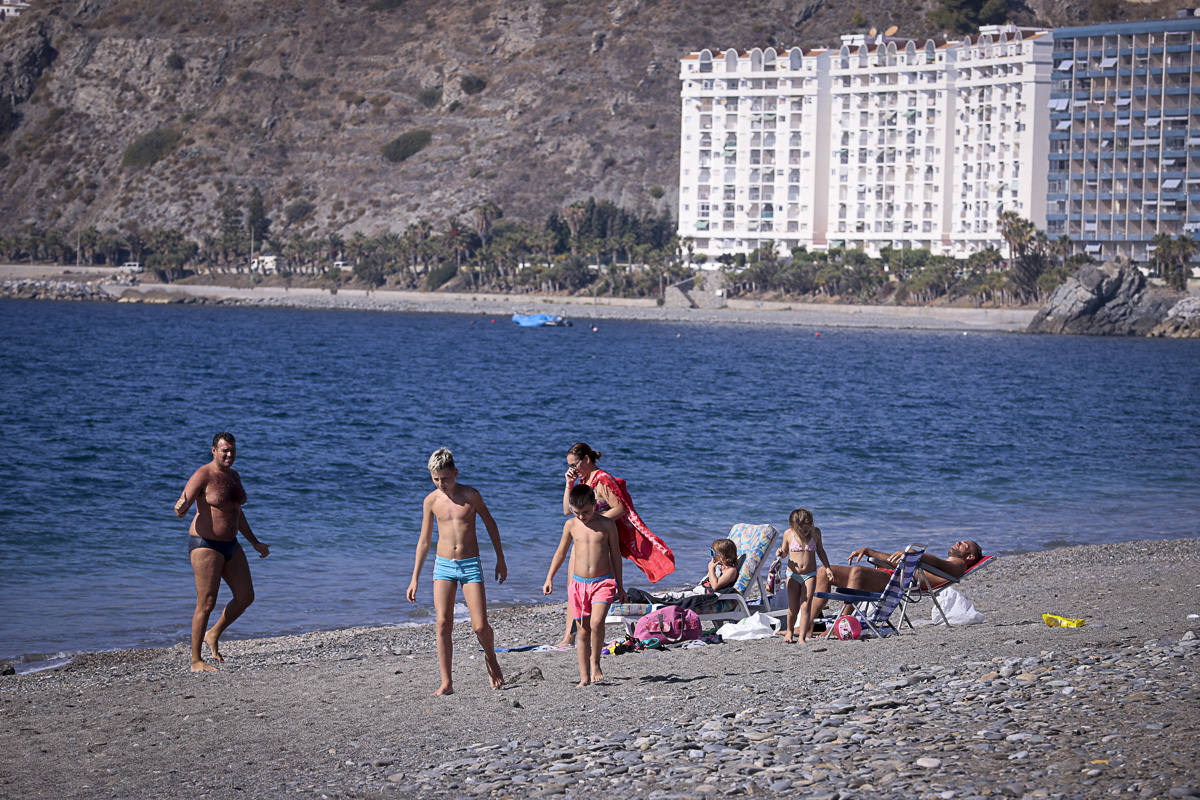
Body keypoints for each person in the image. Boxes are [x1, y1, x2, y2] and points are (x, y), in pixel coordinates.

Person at [405, 448, 507, 695]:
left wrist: (500, 559)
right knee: (442, 623)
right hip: (443, 566)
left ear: (455, 472)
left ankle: (491, 659)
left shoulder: (471, 495)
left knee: (480, 626)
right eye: (436, 478)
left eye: (446, 478)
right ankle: (446, 682)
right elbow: (425, 540)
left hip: (470, 564)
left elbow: (490, 524)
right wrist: (414, 578)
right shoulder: (431, 501)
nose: (441, 483)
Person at [556, 442, 674, 646]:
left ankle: (591, 636)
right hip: (582, 541)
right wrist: (568, 484)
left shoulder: (602, 479)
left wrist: (595, 520)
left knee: (597, 592)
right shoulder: (583, 481)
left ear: (586, 460)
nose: (572, 469)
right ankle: (569, 636)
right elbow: (568, 511)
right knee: (574, 590)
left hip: (602, 543)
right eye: (569, 466)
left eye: (574, 464)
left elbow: (620, 509)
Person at [173, 432, 270, 672]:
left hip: (231, 544)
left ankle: (213, 633)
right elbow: (182, 505)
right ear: (214, 451)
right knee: (206, 602)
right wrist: (180, 508)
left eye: (232, 451)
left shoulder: (234, 476)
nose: (229, 455)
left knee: (246, 595)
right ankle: (196, 661)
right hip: (206, 545)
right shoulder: (203, 475)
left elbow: (237, 513)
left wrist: (254, 542)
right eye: (224, 450)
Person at [543, 484, 626, 686]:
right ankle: (584, 676)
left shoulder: (607, 525)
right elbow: (561, 553)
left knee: (597, 623)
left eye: (586, 512)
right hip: (579, 585)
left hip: (603, 582)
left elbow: (615, 555)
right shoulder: (571, 525)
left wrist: (620, 586)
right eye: (577, 512)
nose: (582, 517)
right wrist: (549, 577)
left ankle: (595, 662)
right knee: (582, 631)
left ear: (595, 505)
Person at [811, 539, 984, 619]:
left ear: (970, 557)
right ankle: (810, 623)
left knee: (858, 571)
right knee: (825, 571)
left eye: (964, 545)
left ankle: (844, 622)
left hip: (897, 582)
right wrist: (869, 551)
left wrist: (915, 555)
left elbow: (933, 562)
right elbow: (897, 561)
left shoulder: (958, 566)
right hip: (892, 575)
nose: (959, 542)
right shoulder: (936, 564)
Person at [776, 508, 834, 643]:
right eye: (801, 530)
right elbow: (784, 552)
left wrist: (827, 568)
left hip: (810, 575)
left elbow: (820, 550)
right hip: (793, 575)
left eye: (807, 529)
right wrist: (780, 553)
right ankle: (789, 631)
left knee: (806, 606)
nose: (804, 532)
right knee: (793, 608)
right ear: (793, 526)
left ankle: (802, 637)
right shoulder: (788, 534)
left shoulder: (816, 533)